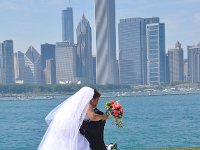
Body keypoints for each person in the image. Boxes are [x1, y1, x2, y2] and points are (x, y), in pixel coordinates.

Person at [38, 86, 109, 150]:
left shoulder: (76, 105)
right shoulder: (87, 104)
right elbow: (92, 116)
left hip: (66, 133)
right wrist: (103, 117)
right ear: (91, 99)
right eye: (97, 100)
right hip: (74, 133)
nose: (97, 103)